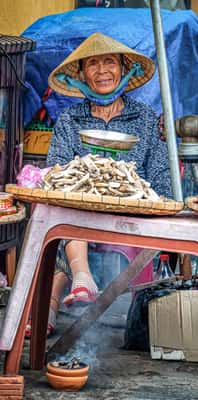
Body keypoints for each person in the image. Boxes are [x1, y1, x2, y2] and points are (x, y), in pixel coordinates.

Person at [25, 32, 172, 337]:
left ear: (123, 69)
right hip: (77, 216)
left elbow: (162, 181)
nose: (102, 71)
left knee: (79, 241)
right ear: (81, 75)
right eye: (93, 64)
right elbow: (56, 175)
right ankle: (79, 279)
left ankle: (57, 299)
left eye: (109, 62)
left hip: (128, 220)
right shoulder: (69, 120)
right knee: (62, 219)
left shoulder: (146, 119)